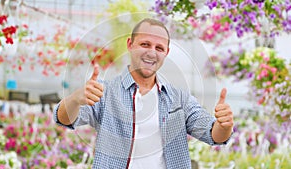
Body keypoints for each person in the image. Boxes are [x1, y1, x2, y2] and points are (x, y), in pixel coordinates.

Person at [54, 18, 234, 169]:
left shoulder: (180, 99)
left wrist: (224, 126)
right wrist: (75, 99)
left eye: (159, 48)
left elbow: (213, 135)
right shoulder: (104, 92)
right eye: (145, 44)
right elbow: (64, 119)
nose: (151, 52)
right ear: (130, 45)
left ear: (166, 53)